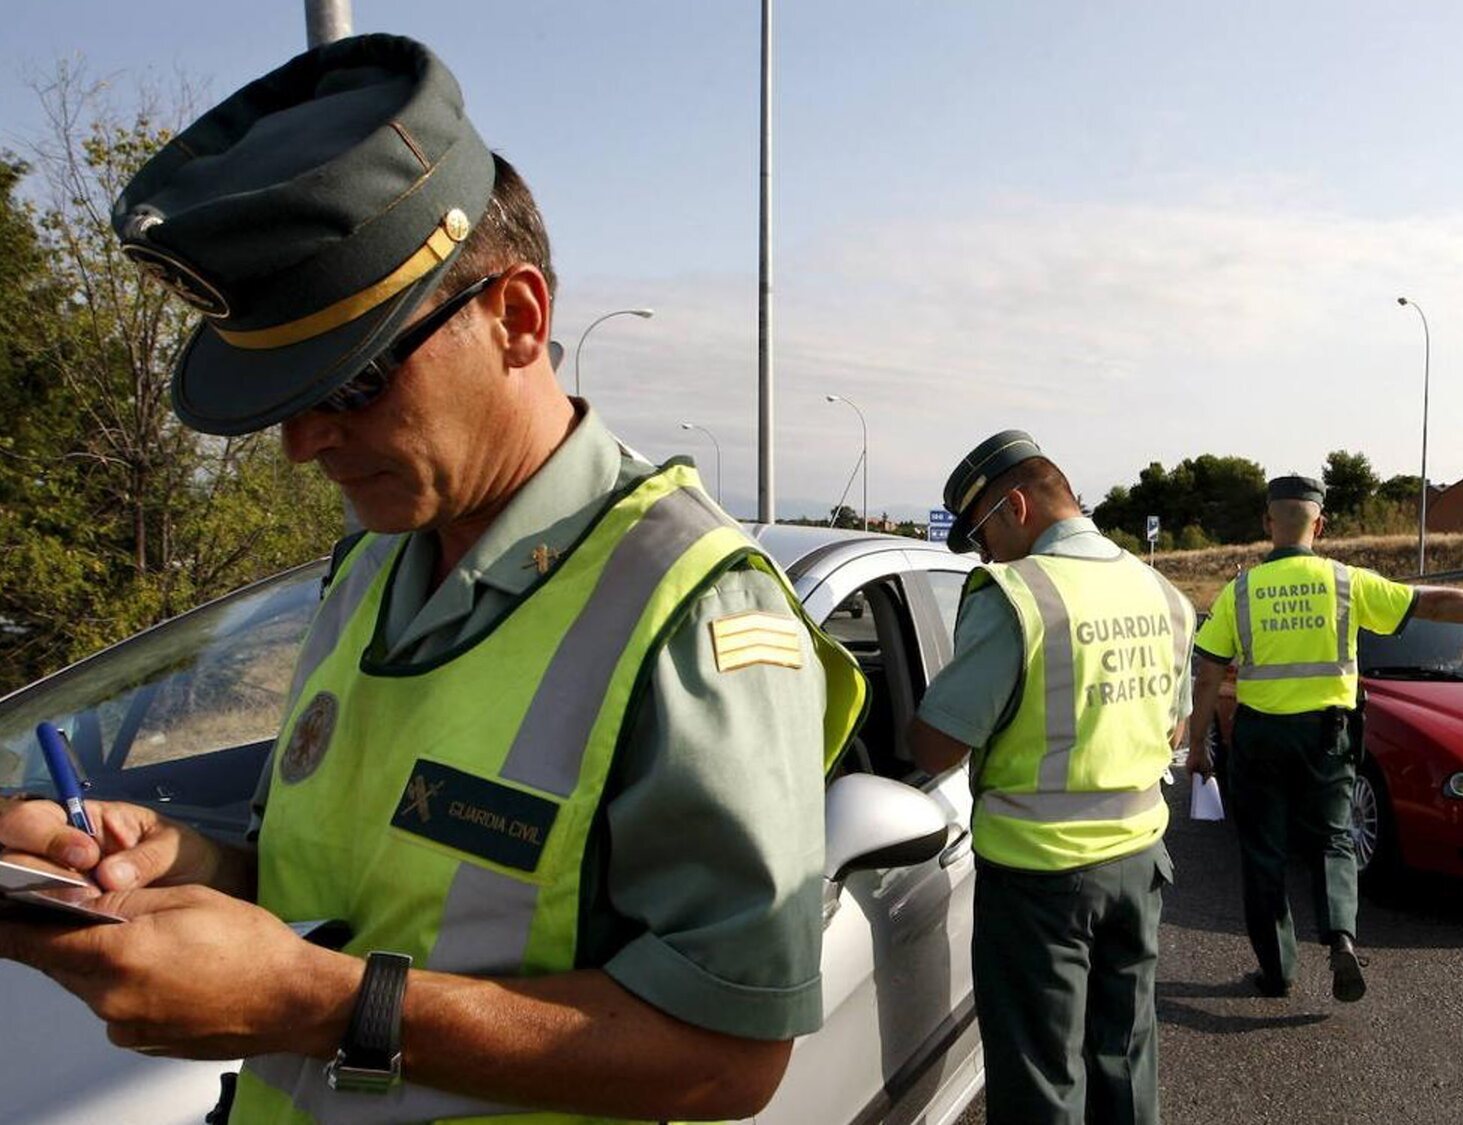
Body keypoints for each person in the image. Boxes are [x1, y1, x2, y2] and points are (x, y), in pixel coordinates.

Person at [0, 34, 866, 1124]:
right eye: (285, 398)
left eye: (353, 382)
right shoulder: (371, 565)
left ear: (516, 319)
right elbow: (339, 887)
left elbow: (727, 1063)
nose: (302, 444)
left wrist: (326, 1008)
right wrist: (173, 857)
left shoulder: (694, 613)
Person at [908, 431, 1195, 1125]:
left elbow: (935, 746)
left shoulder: (1018, 594)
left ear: (1015, 506)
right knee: (1125, 1061)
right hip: (1137, 866)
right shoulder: (1162, 593)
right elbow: (1173, 731)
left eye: (980, 533)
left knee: (1041, 1081)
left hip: (1040, 882)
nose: (983, 553)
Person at [1186, 474, 1463, 1003]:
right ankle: (1341, 939)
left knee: (1263, 852)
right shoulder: (1347, 582)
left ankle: (1277, 970)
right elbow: (1439, 605)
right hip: (1328, 736)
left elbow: (1209, 675)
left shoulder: (1239, 592)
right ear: (1321, 525)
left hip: (1261, 736)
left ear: (1268, 522)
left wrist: (1197, 747)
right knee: (1334, 837)